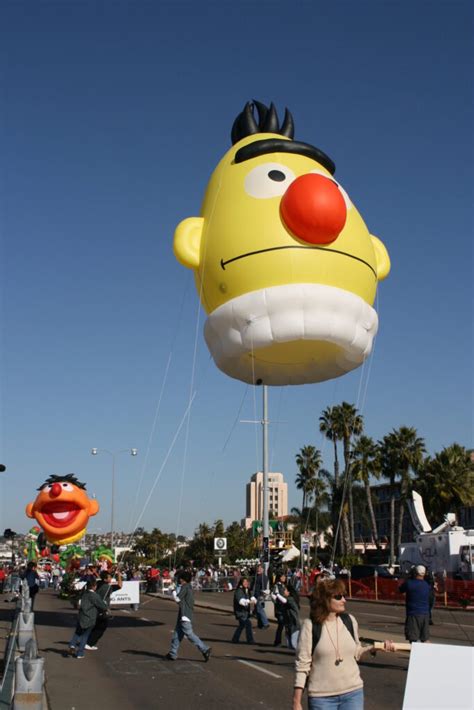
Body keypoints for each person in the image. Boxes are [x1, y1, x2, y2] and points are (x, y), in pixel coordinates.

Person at [293, 578, 395, 710]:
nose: (344, 600)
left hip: (353, 693)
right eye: (338, 596)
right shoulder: (310, 626)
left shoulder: (349, 621)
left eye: (344, 595)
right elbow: (302, 665)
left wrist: (375, 648)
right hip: (322, 698)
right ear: (324, 599)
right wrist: (296, 701)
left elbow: (356, 652)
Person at [166, 570, 211, 661]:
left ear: (183, 579)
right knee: (176, 635)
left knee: (189, 634)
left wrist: (173, 591)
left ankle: (205, 649)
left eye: (179, 578)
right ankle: (173, 653)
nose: (178, 580)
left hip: (184, 615)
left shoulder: (185, 587)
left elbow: (178, 599)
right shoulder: (187, 587)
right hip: (182, 614)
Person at [68, 579, 107, 659]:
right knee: (85, 636)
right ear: (93, 586)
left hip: (81, 616)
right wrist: (105, 603)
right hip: (90, 617)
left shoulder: (84, 593)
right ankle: (80, 653)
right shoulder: (94, 595)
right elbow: (103, 606)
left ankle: (72, 644)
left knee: (78, 632)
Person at [86, 567, 122, 651]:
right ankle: (89, 643)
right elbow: (120, 585)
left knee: (95, 626)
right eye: (109, 577)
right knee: (101, 627)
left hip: (94, 607)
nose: (111, 578)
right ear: (106, 579)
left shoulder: (98, 583)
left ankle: (87, 641)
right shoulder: (107, 587)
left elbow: (101, 577)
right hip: (101, 609)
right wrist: (119, 575)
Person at [399, 564, 431, 643]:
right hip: (425, 614)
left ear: (415, 573)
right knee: (425, 638)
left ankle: (414, 653)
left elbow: (400, 589)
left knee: (413, 639)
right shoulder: (426, 585)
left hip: (413, 614)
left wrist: (407, 577)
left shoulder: (409, 583)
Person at [231, 577, 256, 644]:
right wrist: (249, 601)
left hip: (245, 612)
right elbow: (240, 601)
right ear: (241, 583)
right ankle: (250, 640)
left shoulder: (247, 590)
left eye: (247, 582)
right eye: (244, 582)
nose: (246, 583)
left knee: (241, 625)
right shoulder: (239, 591)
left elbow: (252, 596)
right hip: (240, 612)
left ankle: (235, 639)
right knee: (248, 624)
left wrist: (253, 599)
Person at [272, 571, 288, 646]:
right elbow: (275, 596)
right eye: (282, 577)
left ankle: (289, 642)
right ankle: (277, 641)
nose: (284, 578)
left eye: (284, 576)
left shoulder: (285, 585)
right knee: (281, 624)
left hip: (285, 608)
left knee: (286, 625)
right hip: (279, 609)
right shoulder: (276, 586)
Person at [252, 564, 270, 630]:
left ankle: (266, 623)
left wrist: (262, 595)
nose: (258, 569)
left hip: (260, 595)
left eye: (260, 568)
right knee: (257, 610)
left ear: (263, 569)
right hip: (255, 595)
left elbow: (264, 587)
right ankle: (260, 624)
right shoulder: (256, 576)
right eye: (258, 568)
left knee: (260, 609)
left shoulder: (263, 577)